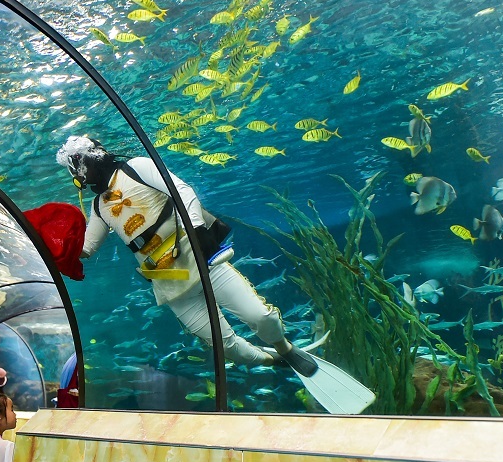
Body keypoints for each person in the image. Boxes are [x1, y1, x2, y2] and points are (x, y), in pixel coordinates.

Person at [56, 135, 319, 371]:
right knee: (225, 347)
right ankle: (273, 361)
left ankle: (285, 348)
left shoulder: (135, 167)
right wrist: (54, 244)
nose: (77, 173)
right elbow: (88, 248)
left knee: (259, 316)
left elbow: (180, 189)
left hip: (199, 259)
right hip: (168, 283)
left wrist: (197, 227)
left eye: (77, 165)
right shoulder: (99, 206)